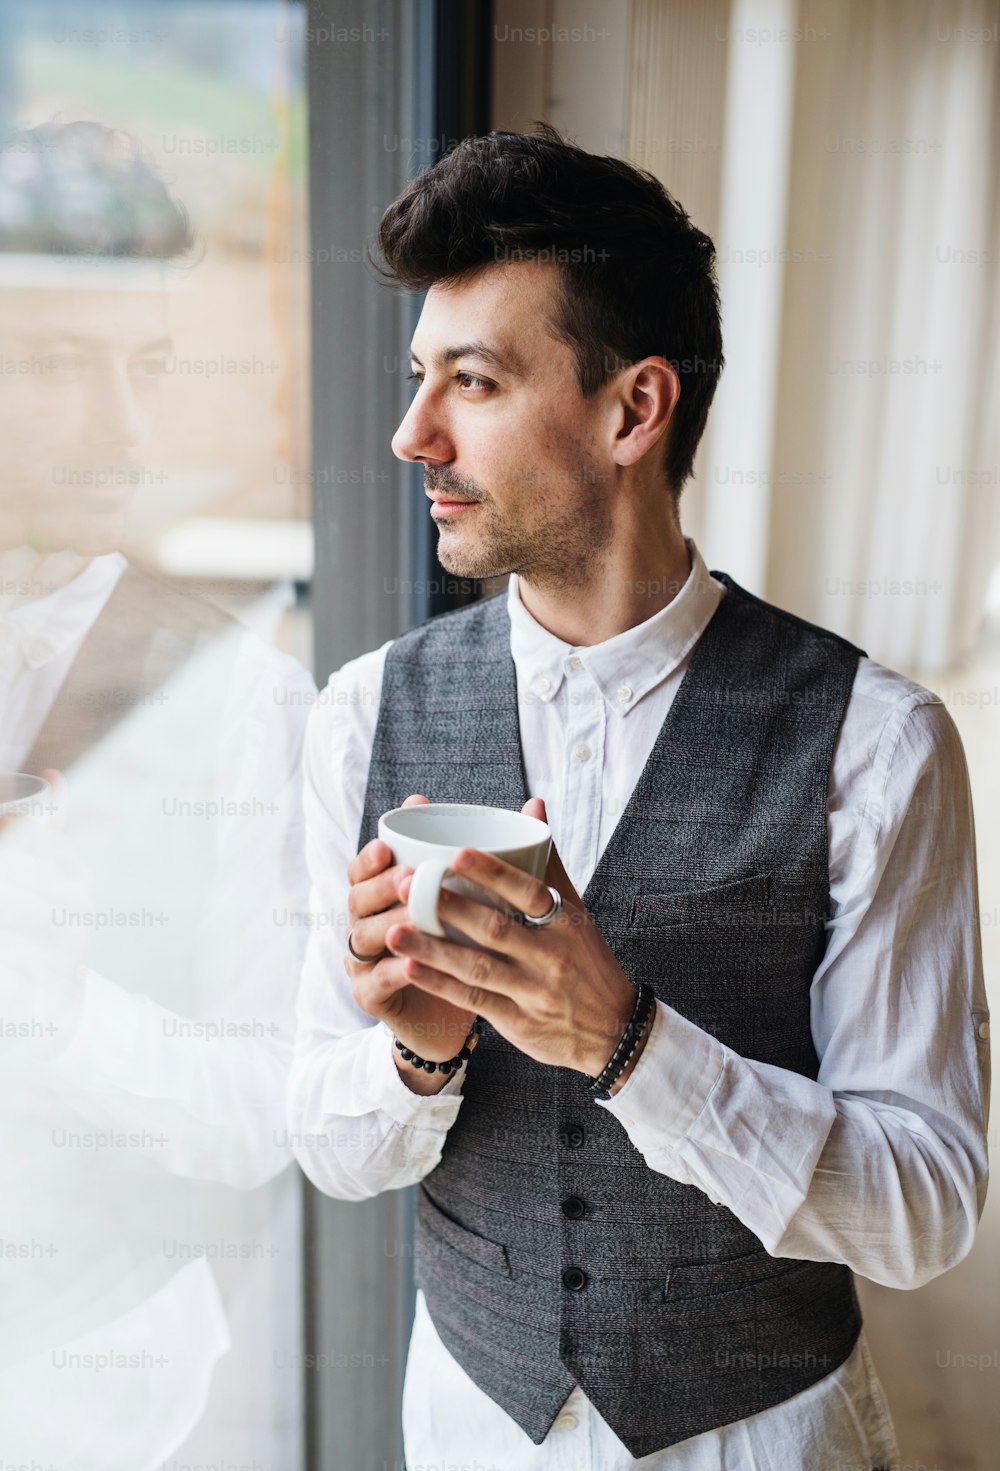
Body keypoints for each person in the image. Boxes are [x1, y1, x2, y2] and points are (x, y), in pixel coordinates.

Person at [288, 124, 990, 1469]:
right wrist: (416, 1054)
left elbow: (928, 1208)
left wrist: (628, 1041)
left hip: (763, 1439)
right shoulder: (360, 716)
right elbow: (331, 1142)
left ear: (632, 410)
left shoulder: (881, 742)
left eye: (474, 382)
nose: (411, 433)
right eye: (419, 379)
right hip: (465, 1423)